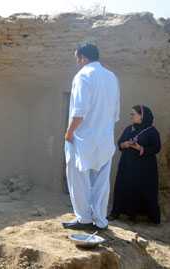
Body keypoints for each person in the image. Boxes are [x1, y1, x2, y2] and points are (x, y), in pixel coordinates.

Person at [63, 43, 120, 230]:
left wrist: (69, 133)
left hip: (83, 138)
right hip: (105, 137)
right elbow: (115, 113)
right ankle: (100, 219)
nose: (77, 63)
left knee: (78, 179)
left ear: (83, 58)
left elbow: (79, 111)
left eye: (77, 58)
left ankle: (84, 218)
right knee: (101, 182)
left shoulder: (83, 76)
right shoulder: (111, 77)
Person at [109, 105, 161, 224]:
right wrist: (125, 144)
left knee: (140, 190)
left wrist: (140, 148)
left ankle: (135, 216)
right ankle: (116, 212)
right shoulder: (129, 129)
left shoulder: (152, 131)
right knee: (123, 187)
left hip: (144, 169)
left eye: (134, 114)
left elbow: (156, 148)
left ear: (142, 116)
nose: (131, 116)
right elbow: (120, 143)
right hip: (127, 166)